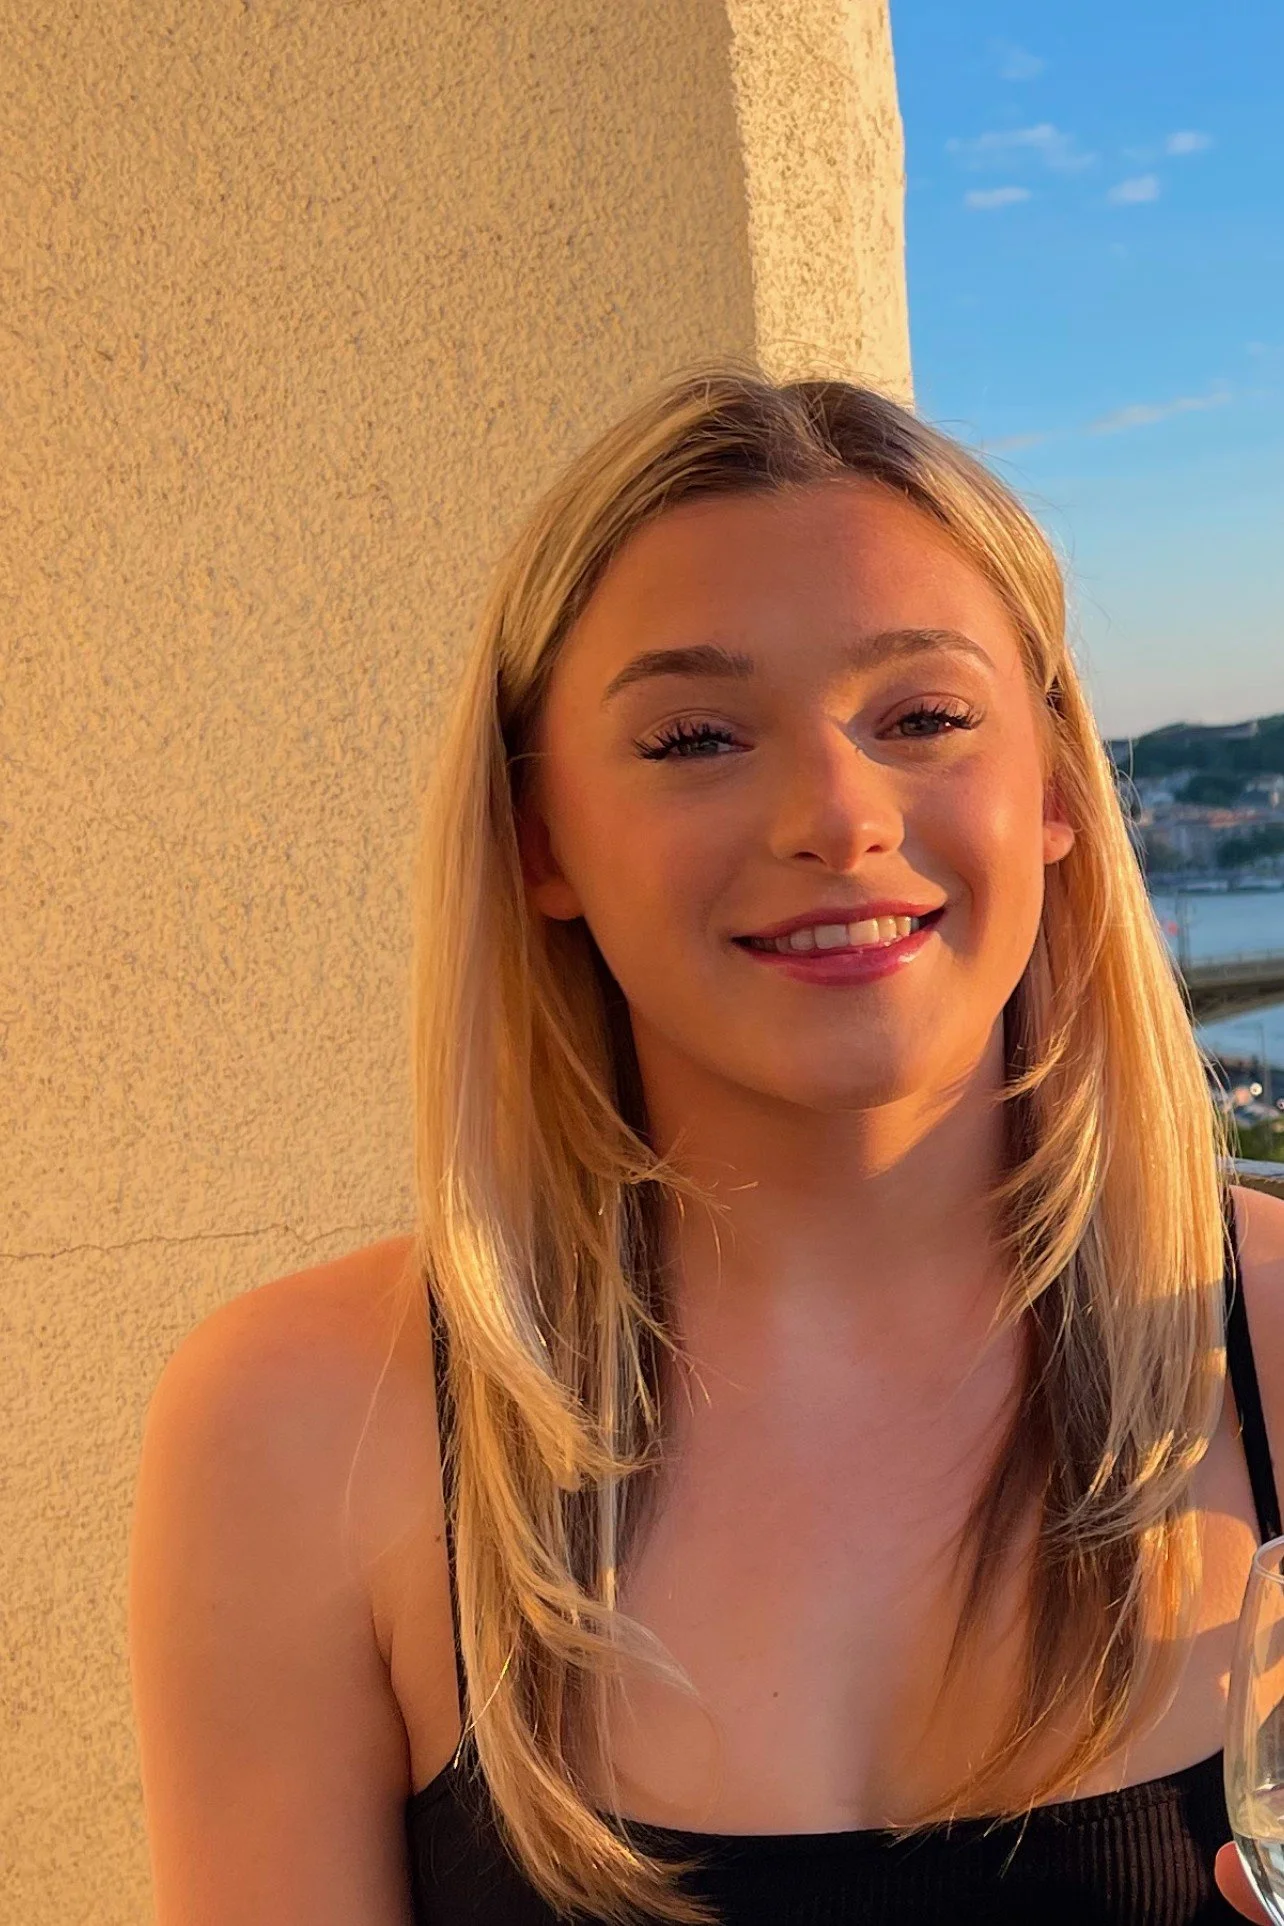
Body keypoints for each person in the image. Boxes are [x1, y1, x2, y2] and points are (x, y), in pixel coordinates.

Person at [128, 362, 1284, 1925]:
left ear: (1059, 787)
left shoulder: (1271, 1333)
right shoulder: (303, 1425)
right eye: (692, 738)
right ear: (542, 840)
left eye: (925, 715)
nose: (837, 812)